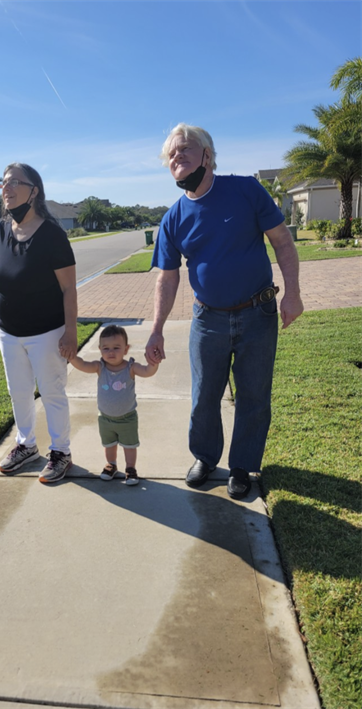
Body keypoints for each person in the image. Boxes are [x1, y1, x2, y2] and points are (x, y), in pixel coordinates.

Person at [145, 123, 304, 500]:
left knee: (253, 394)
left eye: (185, 149)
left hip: (257, 312)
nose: (177, 157)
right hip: (207, 318)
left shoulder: (245, 190)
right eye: (171, 154)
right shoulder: (173, 218)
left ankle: (241, 467)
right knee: (204, 395)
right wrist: (156, 328)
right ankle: (204, 457)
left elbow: (282, 242)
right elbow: (166, 279)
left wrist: (293, 294)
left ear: (207, 156)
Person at [0, 163, 77, 484]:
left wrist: (71, 332)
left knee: (51, 392)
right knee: (18, 392)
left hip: (47, 332)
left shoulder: (52, 235)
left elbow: (69, 287)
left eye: (15, 182)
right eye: (4, 183)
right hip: (8, 332)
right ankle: (26, 445)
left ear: (35, 191)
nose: (7, 187)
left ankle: (61, 452)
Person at [69, 324, 159, 486]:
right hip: (105, 418)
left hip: (127, 418)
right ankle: (111, 464)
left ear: (126, 349)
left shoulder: (131, 367)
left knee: (129, 446)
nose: (111, 352)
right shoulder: (99, 367)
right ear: (100, 349)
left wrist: (154, 363)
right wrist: (71, 357)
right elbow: (82, 365)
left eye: (116, 347)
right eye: (106, 348)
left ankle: (131, 469)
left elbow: (147, 371)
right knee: (109, 444)